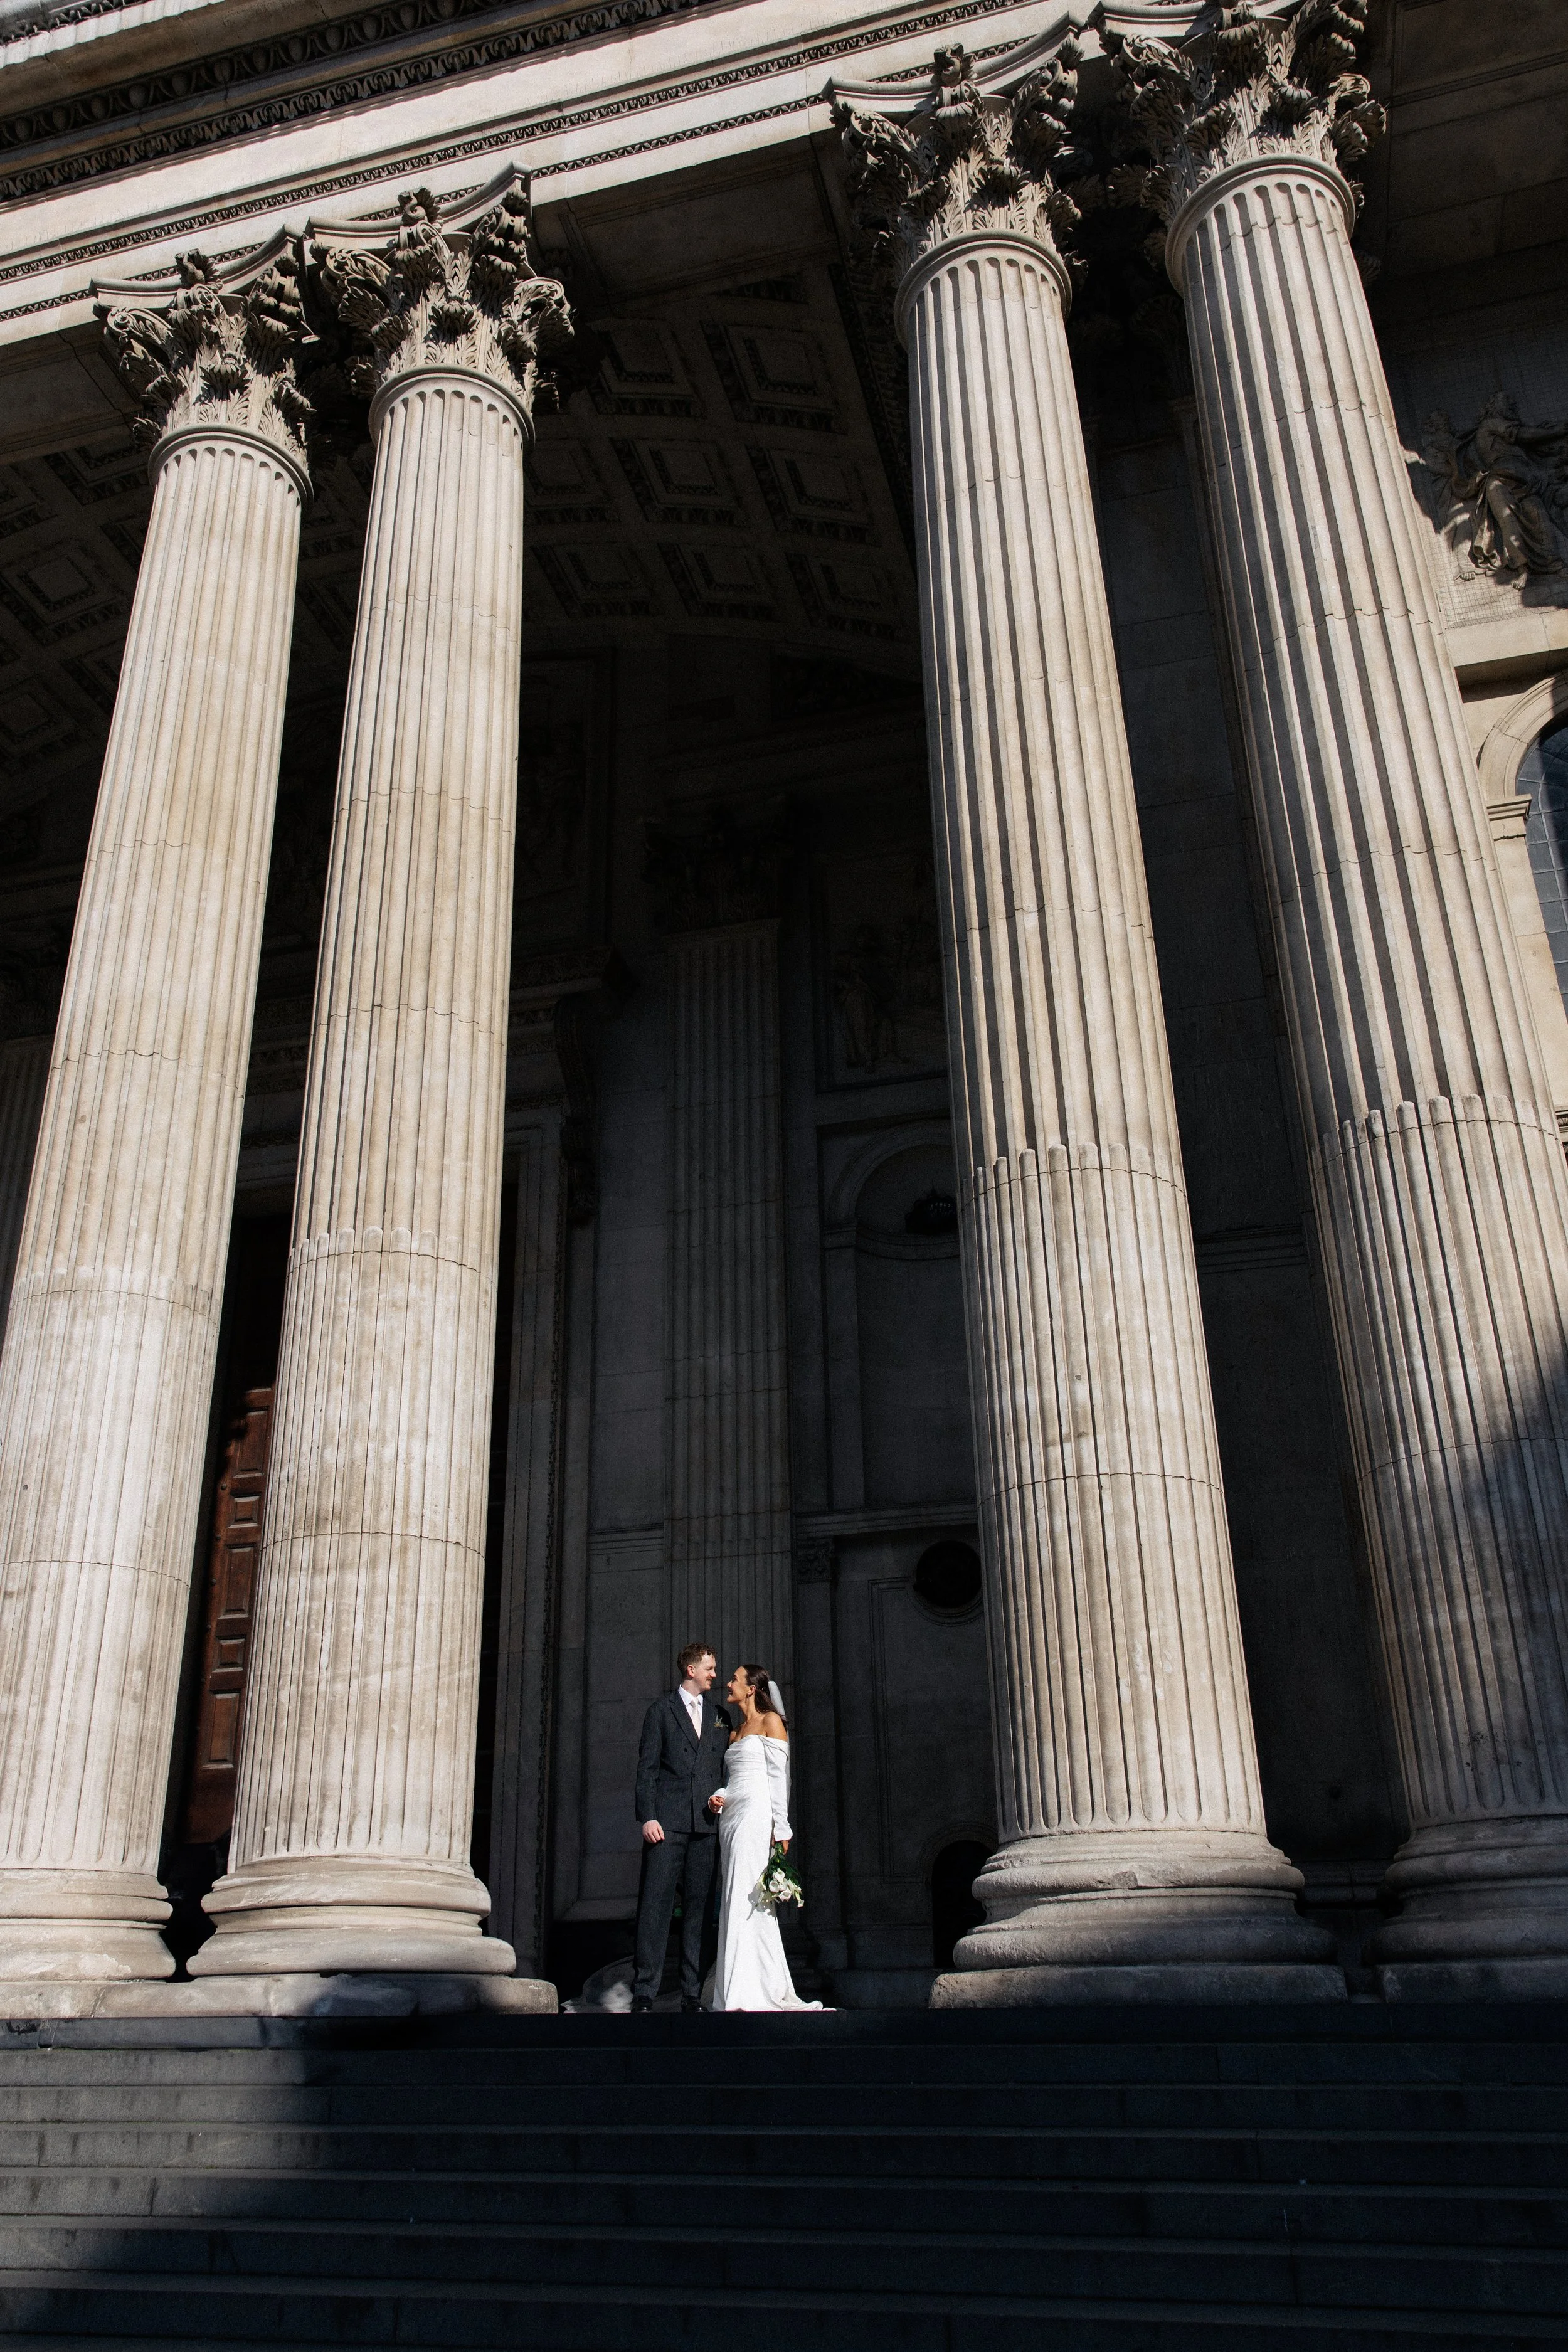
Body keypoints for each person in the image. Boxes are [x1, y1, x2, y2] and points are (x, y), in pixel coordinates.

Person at [705, 1663, 824, 2012]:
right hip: (730, 1817)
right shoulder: (734, 1730)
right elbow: (733, 1776)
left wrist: (781, 1828)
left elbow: (778, 1777)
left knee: (749, 1893)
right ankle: (733, 1983)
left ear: (752, 1688)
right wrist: (719, 1794)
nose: (728, 1684)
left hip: (756, 1815)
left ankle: (751, 1987)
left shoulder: (772, 1723)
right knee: (732, 1894)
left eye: (735, 1680)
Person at [630, 1641, 729, 2013]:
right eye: (710, 1668)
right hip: (666, 1825)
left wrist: (721, 1794)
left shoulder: (720, 1715)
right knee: (655, 1905)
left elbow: (725, 1768)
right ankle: (645, 1991)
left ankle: (692, 1992)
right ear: (692, 1670)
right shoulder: (661, 1711)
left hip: (705, 1825)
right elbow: (647, 1769)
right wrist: (648, 1816)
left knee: (700, 1909)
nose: (715, 1674)